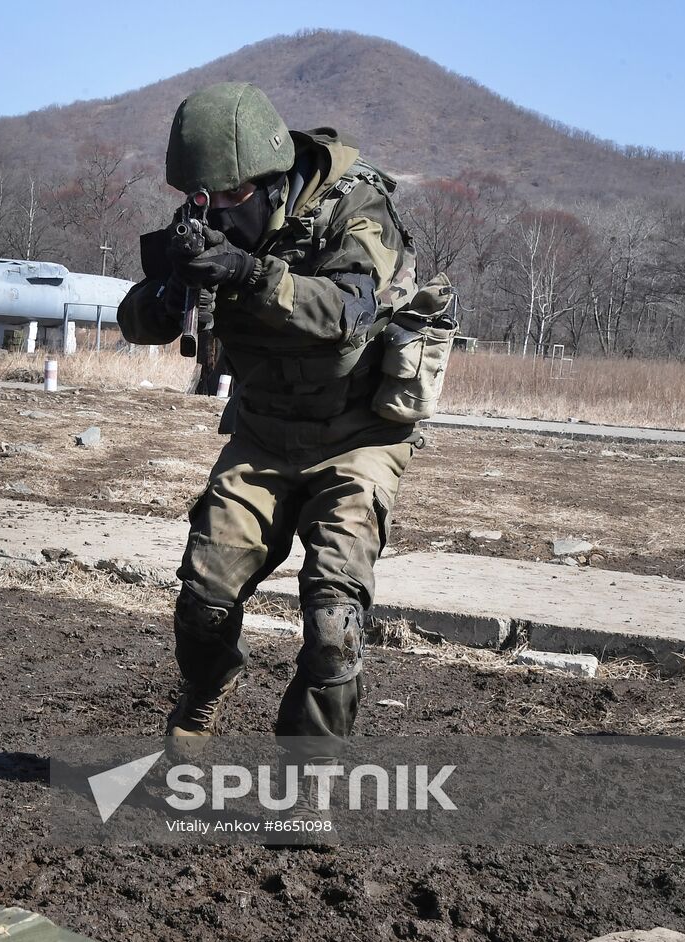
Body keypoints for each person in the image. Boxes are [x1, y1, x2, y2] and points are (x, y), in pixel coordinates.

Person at [118, 83, 453, 777]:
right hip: (265, 435)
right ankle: (207, 689)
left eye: (233, 199)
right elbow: (135, 320)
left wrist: (251, 273)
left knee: (333, 624)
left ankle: (307, 774)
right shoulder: (209, 216)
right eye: (207, 201)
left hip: (358, 437)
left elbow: (349, 310)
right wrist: (173, 289)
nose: (219, 215)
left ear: (274, 179)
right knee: (203, 601)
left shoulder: (356, 209)